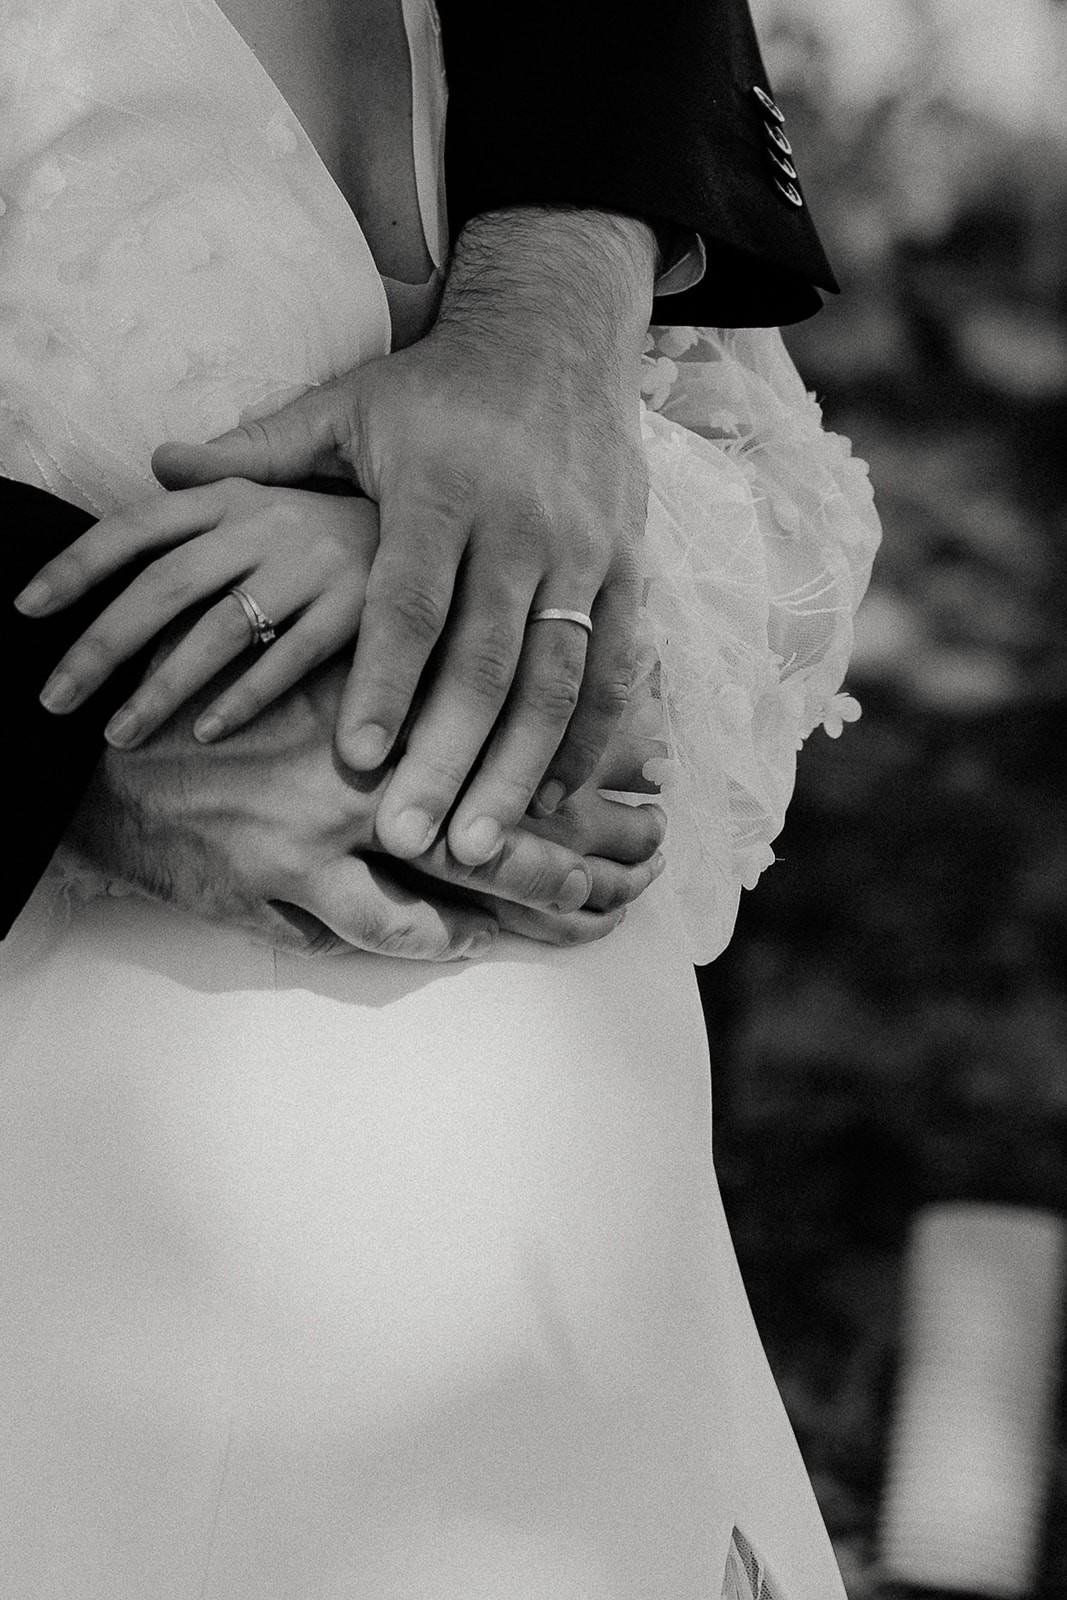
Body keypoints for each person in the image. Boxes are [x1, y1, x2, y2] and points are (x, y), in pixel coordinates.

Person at [0, 1, 880, 1596]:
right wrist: (86, 723)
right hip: (83, 1253)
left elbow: (765, 535)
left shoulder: (587, 69)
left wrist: (496, 539)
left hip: (583, 1286)